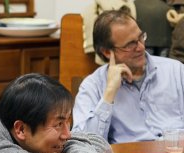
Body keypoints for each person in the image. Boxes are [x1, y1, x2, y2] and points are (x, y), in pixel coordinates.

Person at [72, 9, 184, 144]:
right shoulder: (93, 85)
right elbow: (83, 145)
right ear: (107, 52)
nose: (141, 47)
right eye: (130, 44)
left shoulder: (176, 71)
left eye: (141, 37)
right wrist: (109, 94)